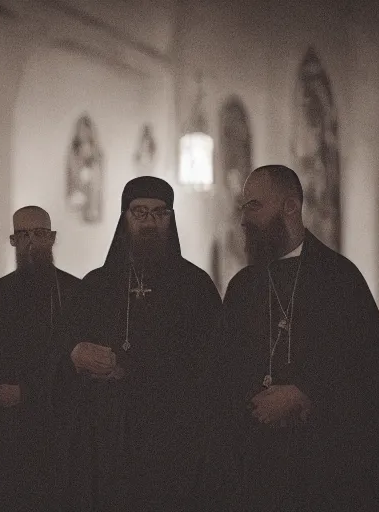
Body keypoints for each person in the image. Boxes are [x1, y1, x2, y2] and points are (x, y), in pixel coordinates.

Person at [203, 165, 379, 511]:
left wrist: (305, 394)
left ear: (290, 207)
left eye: (254, 206)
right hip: (257, 471)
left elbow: (373, 378)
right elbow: (220, 375)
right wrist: (254, 402)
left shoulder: (341, 280)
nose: (243, 218)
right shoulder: (243, 287)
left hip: (326, 473)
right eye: (243, 207)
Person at [62, 176, 221, 512]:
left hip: (173, 449)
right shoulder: (95, 286)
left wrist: (129, 370)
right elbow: (61, 353)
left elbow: (213, 366)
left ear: (171, 218)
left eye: (160, 213)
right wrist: (75, 356)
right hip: (105, 447)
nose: (150, 221)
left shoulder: (196, 287)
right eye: (140, 212)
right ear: (124, 218)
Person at [0, 206, 81, 511]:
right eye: (23, 234)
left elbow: (82, 368)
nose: (31, 241)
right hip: (10, 440)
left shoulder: (75, 294)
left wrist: (27, 392)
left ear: (52, 238)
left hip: (61, 438)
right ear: (12, 241)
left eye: (39, 234)